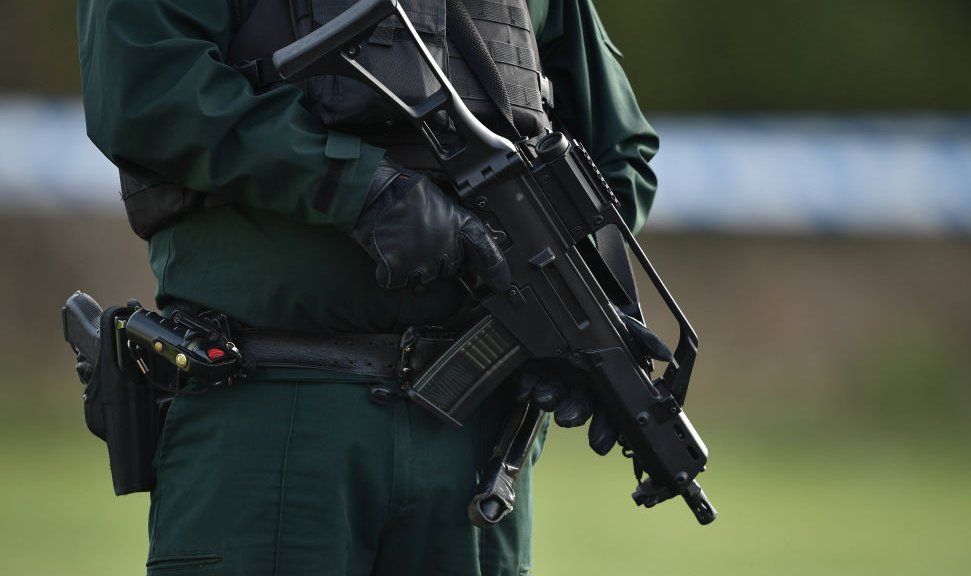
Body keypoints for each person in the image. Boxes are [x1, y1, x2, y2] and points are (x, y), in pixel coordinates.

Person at [77, 0, 658, 574]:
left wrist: (553, 304)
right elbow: (148, 93)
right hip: (268, 416)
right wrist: (356, 187)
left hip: (477, 444)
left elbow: (617, 154)